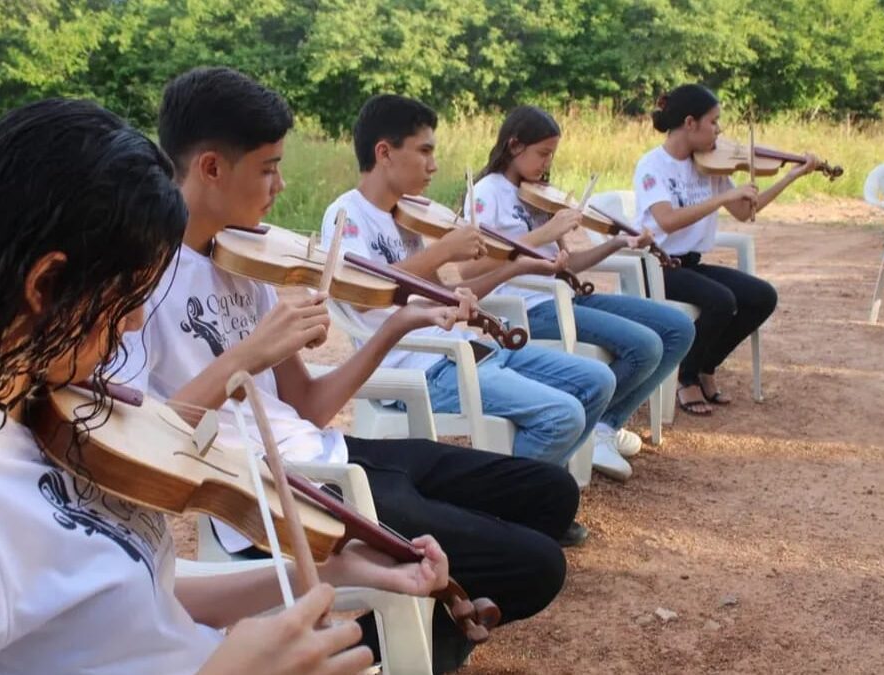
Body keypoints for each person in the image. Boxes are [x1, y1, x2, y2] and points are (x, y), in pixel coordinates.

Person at [0, 98, 450, 675]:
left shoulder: (53, 414)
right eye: (130, 297)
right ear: (47, 285)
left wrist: (327, 569)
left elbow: (136, 602)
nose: (138, 320)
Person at [120, 67, 580, 674]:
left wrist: (395, 326)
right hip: (274, 491)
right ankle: (377, 651)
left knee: (552, 493)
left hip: (330, 448)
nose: (281, 185)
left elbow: (306, 403)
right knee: (536, 565)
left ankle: (426, 628)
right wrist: (246, 356)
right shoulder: (139, 281)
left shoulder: (248, 258)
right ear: (210, 167)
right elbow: (146, 445)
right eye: (268, 168)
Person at [321, 94, 617, 481]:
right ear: (384, 153)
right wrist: (443, 250)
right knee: (562, 415)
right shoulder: (347, 214)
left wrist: (517, 265)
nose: (434, 165)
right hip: (420, 367)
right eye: (424, 151)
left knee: (598, 381)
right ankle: (515, 505)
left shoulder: (409, 217)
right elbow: (360, 295)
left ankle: (536, 488)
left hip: (466, 350)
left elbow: (442, 293)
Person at [464, 105, 695, 481]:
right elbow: (473, 267)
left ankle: (603, 424)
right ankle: (600, 429)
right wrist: (546, 232)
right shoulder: (488, 193)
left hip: (563, 297)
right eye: (542, 153)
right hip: (526, 307)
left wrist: (617, 242)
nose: (546, 163)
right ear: (513, 145)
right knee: (646, 345)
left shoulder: (537, 197)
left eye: (552, 154)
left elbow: (570, 266)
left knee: (678, 328)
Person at [633, 84, 819, 415]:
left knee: (763, 296)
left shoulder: (711, 164)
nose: (719, 130)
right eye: (714, 122)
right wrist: (721, 198)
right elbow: (668, 220)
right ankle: (685, 379)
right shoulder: (652, 165)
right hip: (657, 267)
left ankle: (706, 366)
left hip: (690, 265)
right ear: (690, 123)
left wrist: (792, 175)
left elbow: (746, 211)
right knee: (721, 300)